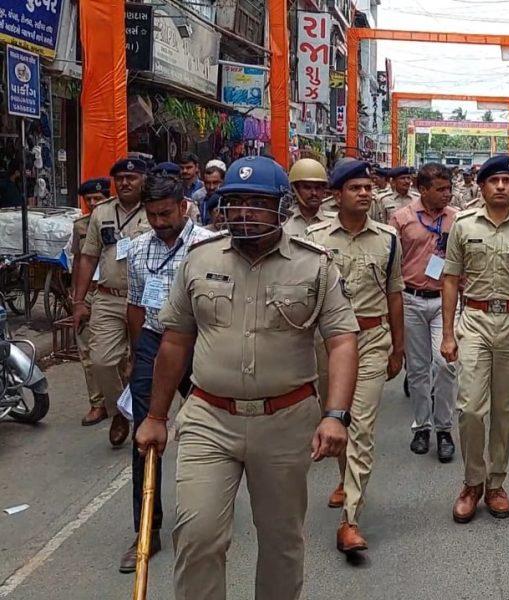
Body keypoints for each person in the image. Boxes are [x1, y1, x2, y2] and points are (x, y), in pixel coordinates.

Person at [134, 156, 360, 600]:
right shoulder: (199, 261)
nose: (243, 213)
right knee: (197, 535)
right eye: (234, 202)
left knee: (281, 542)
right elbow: (175, 343)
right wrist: (156, 416)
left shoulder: (315, 266)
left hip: (286, 420)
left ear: (281, 206)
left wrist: (335, 415)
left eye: (256, 203)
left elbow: (342, 341)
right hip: (208, 419)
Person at [305, 159, 405, 556]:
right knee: (334, 416)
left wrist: (399, 346)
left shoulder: (388, 238)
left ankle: (350, 518)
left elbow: (394, 292)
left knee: (360, 426)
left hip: (372, 338)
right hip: (326, 343)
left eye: (368, 188)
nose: (365, 194)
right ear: (336, 194)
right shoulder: (313, 238)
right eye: (355, 188)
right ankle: (344, 477)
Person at [119, 171, 214, 573]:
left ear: (183, 206)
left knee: (208, 430)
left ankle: (206, 520)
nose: (159, 222)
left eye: (165, 214)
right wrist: (138, 354)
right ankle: (146, 530)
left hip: (203, 345)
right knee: (146, 436)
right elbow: (136, 306)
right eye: (152, 215)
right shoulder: (138, 249)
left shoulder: (210, 246)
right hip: (154, 344)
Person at [440, 155, 509, 524]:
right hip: (476, 319)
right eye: (493, 180)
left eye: (506, 181)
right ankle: (471, 482)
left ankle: (496, 483)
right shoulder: (463, 226)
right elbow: (450, 278)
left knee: (505, 409)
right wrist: (448, 333)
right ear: (481, 187)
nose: (500, 186)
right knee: (471, 408)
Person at [72, 157, 150, 448]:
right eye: (120, 178)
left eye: (132, 177)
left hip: (145, 301)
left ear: (144, 179)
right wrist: (79, 301)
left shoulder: (155, 209)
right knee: (102, 360)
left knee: (142, 363)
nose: (126, 182)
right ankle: (118, 412)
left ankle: (145, 419)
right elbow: (88, 256)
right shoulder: (102, 212)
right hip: (107, 297)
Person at [389, 163, 459, 462]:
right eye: (440, 189)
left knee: (446, 364)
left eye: (448, 188)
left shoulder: (456, 219)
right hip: (412, 300)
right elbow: (391, 264)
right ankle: (422, 427)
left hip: (445, 299)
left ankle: (444, 428)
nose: (447, 194)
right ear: (423, 189)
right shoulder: (401, 219)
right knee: (417, 369)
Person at [74, 178, 117, 426]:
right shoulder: (79, 225)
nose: (92, 203)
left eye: (97, 199)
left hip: (114, 292)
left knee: (118, 356)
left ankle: (120, 403)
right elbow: (79, 261)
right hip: (89, 291)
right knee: (88, 352)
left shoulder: (118, 221)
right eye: (88, 199)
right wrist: (76, 299)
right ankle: (97, 403)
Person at [284, 158, 332, 236]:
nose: (314, 193)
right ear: (295, 189)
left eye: (318, 188)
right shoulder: (284, 222)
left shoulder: (334, 222)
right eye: (307, 187)